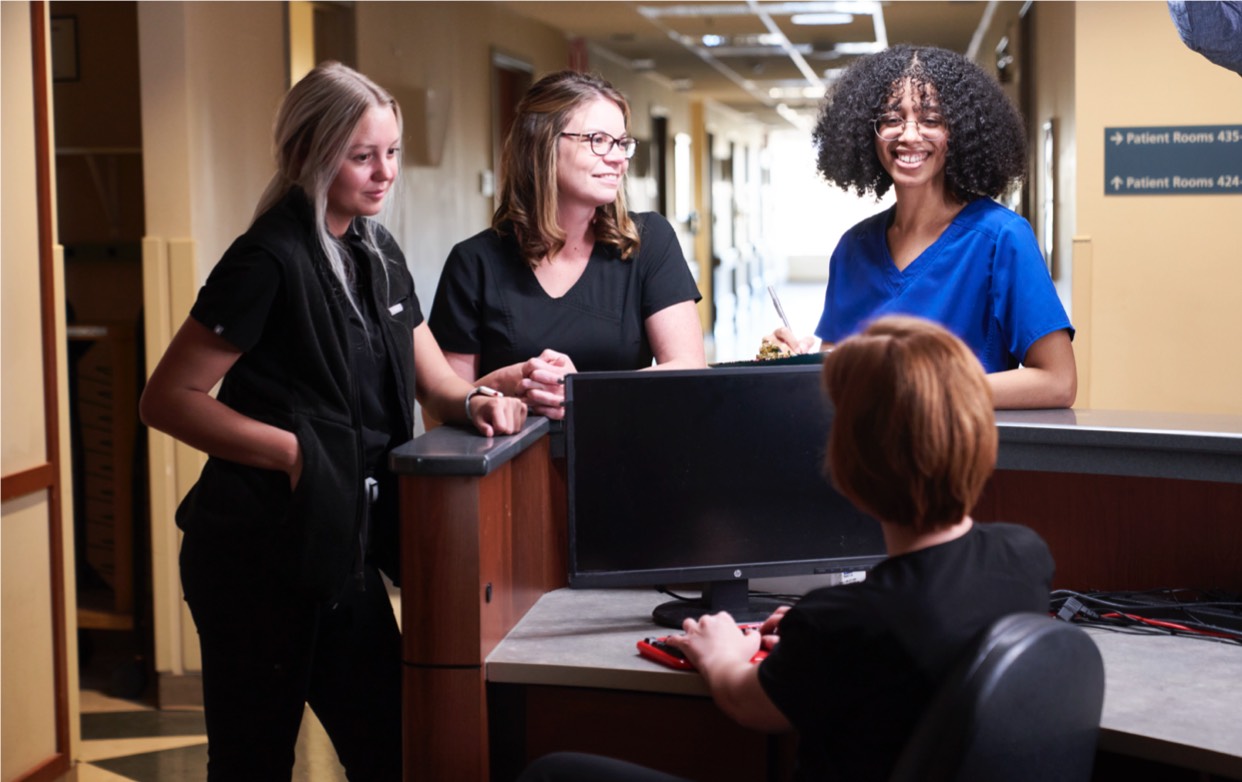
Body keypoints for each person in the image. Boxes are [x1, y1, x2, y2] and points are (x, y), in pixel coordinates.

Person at [138, 62, 527, 781]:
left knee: (393, 747)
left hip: (338, 546)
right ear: (309, 155)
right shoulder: (267, 259)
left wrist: (474, 401)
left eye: (392, 153)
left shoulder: (376, 254)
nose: (384, 173)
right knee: (254, 763)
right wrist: (297, 456)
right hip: (255, 556)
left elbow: (433, 378)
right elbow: (167, 397)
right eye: (362, 155)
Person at [518, 315, 1054, 782]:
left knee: (551, 772)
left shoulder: (844, 622)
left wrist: (722, 651)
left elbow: (748, 702)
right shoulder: (1025, 557)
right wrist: (805, 638)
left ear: (846, 469)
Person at [767, 45, 1076, 409]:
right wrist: (803, 363)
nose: (909, 135)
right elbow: (842, 371)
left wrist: (923, 390)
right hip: (864, 457)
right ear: (870, 132)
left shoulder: (1001, 239)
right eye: (892, 119)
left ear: (958, 132)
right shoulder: (853, 249)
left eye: (931, 120)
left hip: (957, 457)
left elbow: (1058, 382)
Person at [428, 70, 705, 419]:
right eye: (598, 140)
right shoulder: (474, 264)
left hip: (623, 455)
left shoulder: (648, 241)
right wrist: (510, 382)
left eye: (621, 143)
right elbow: (440, 412)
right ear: (542, 145)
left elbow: (689, 370)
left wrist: (580, 392)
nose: (619, 158)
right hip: (513, 468)